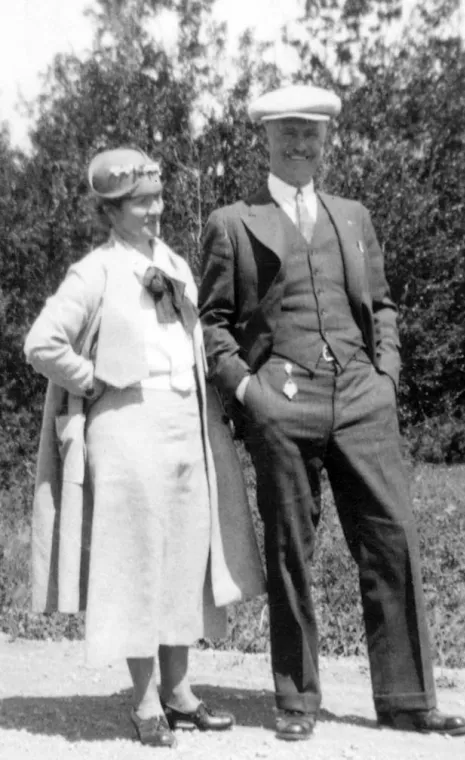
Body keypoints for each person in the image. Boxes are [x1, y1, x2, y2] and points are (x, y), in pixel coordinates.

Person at [198, 85, 465, 742]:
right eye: (288, 133)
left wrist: (388, 377)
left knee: (392, 538)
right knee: (292, 551)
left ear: (327, 143)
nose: (300, 145)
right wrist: (249, 395)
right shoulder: (235, 222)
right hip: (282, 407)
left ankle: (407, 698)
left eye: (311, 135)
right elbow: (212, 325)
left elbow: (380, 306)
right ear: (265, 138)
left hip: (362, 400)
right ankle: (296, 702)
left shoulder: (353, 215)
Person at [25, 147, 264, 748]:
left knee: (185, 559)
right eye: (141, 202)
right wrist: (89, 378)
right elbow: (41, 343)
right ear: (112, 210)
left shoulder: (174, 262)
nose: (156, 210)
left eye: (158, 198)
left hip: (186, 422)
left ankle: (180, 692)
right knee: (136, 565)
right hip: (127, 428)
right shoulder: (94, 272)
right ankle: (145, 701)